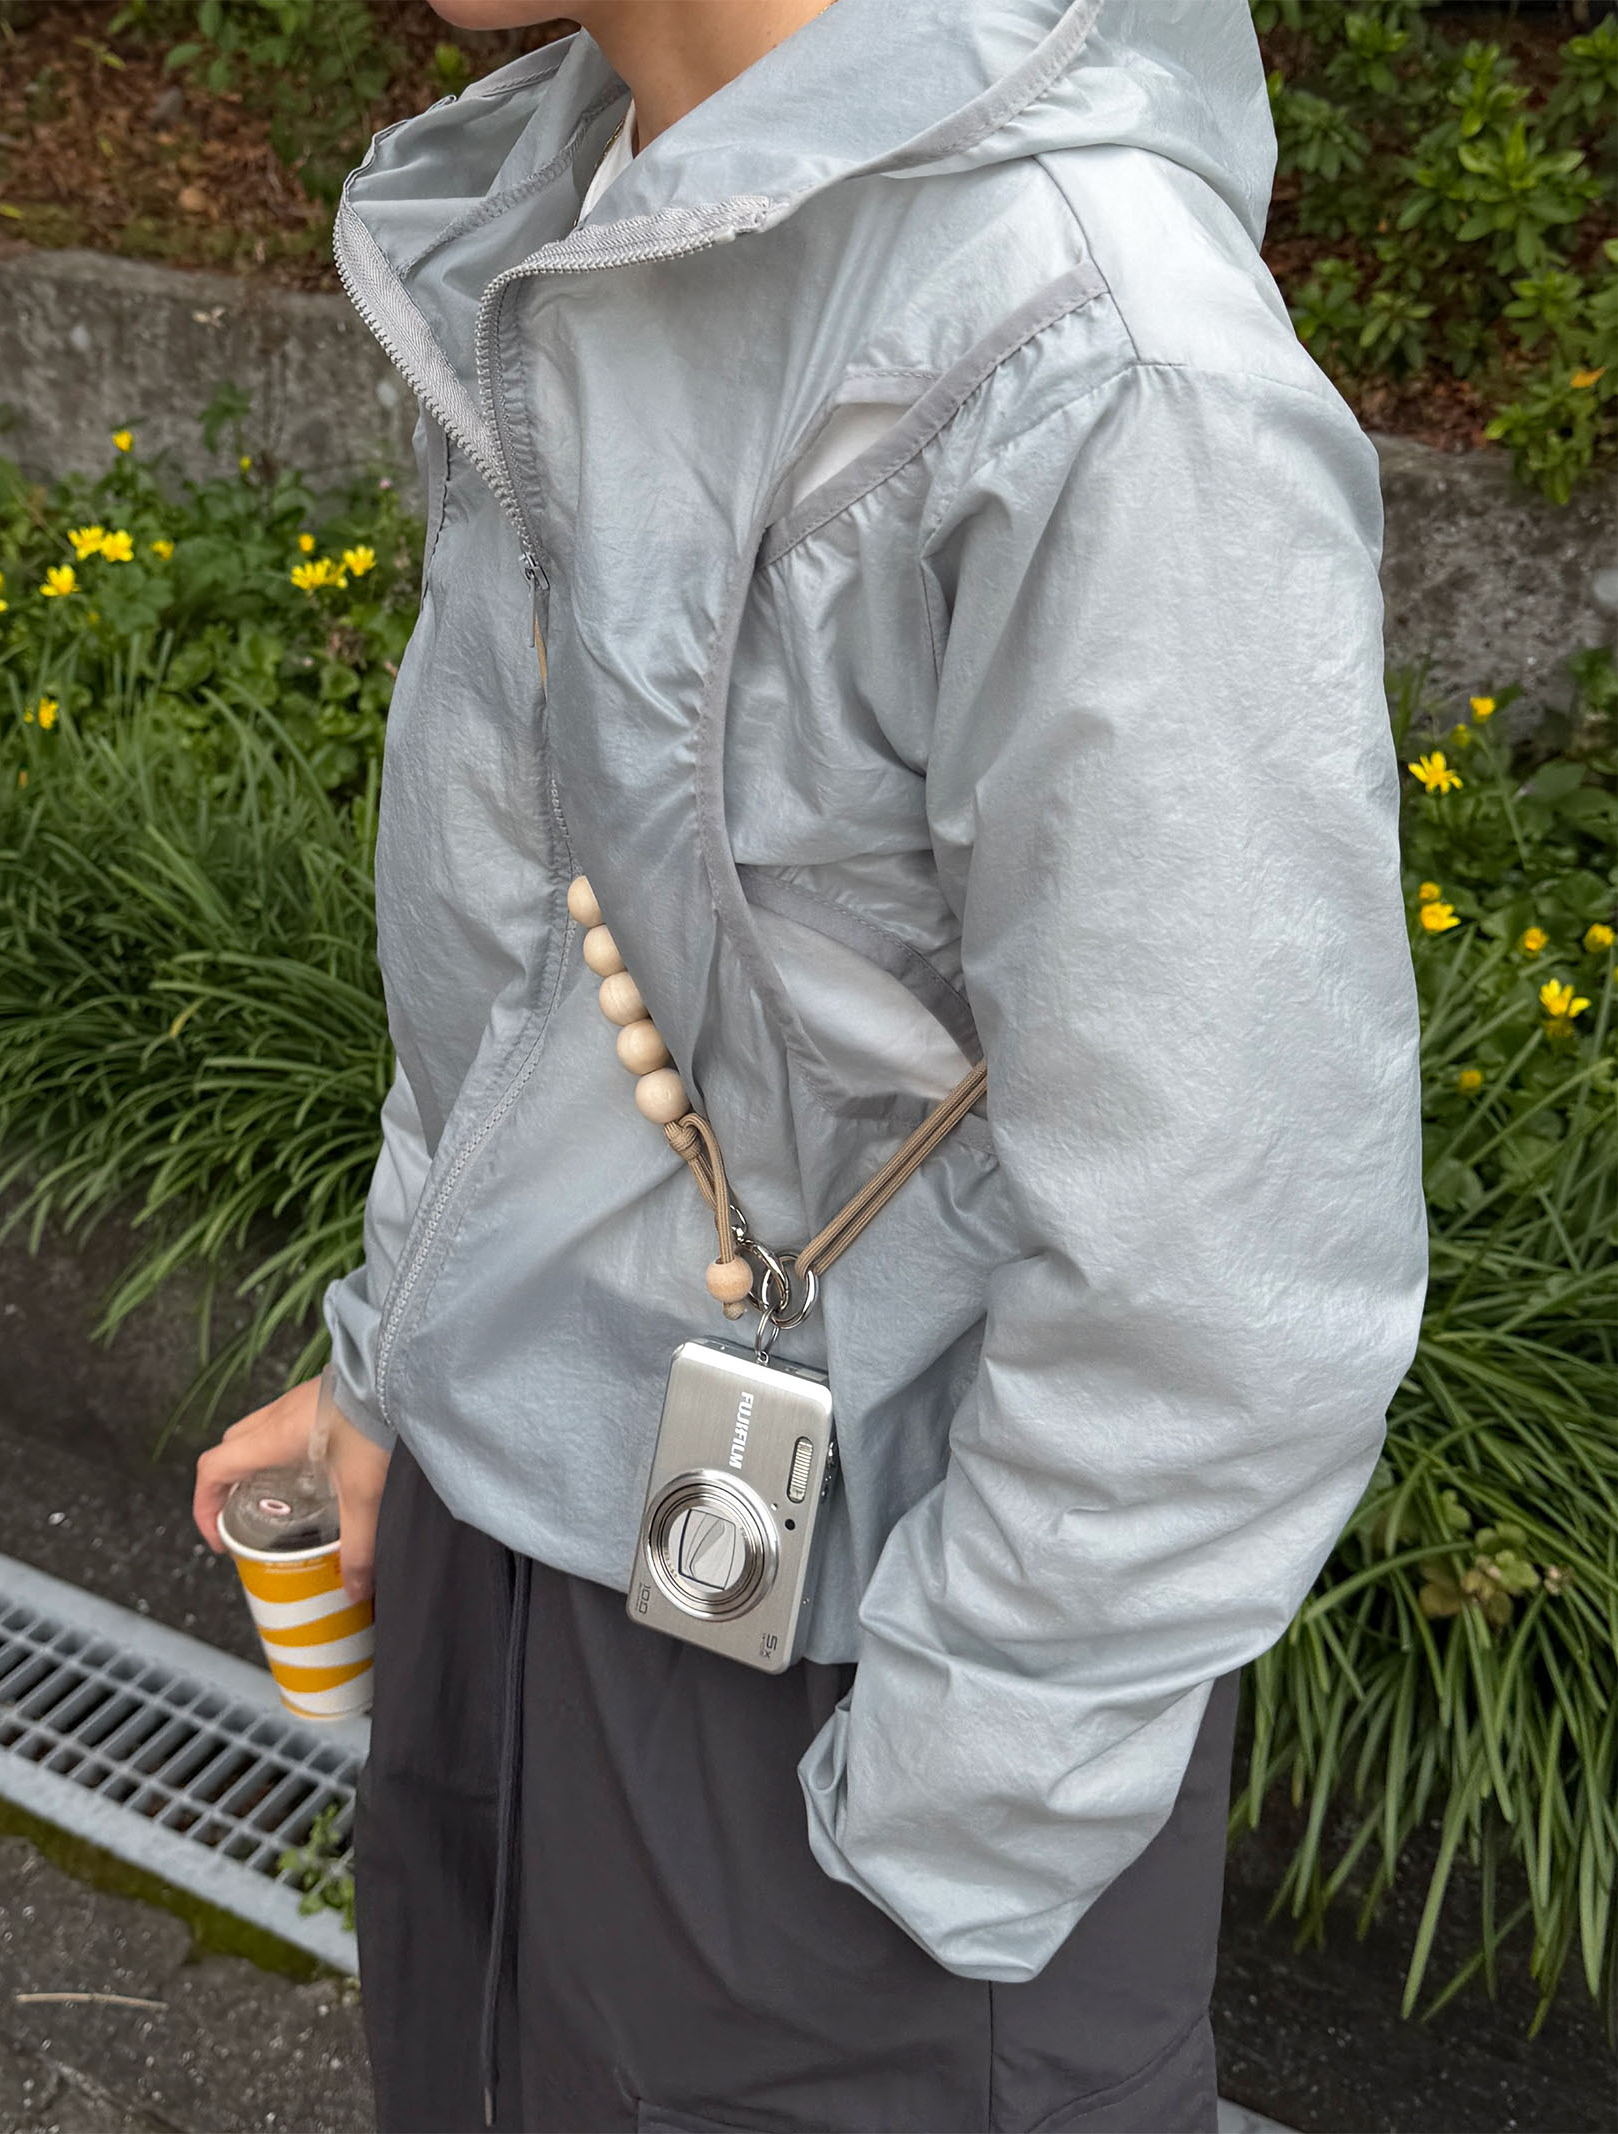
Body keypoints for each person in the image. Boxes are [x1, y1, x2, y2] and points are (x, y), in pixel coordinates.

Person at [193, 2, 1427, 2128]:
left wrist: (946, 1820)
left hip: (867, 1723)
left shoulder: (1090, 353)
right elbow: (531, 949)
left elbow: (1225, 1261)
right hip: (505, 1575)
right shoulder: (583, 201)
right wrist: (404, 1367)